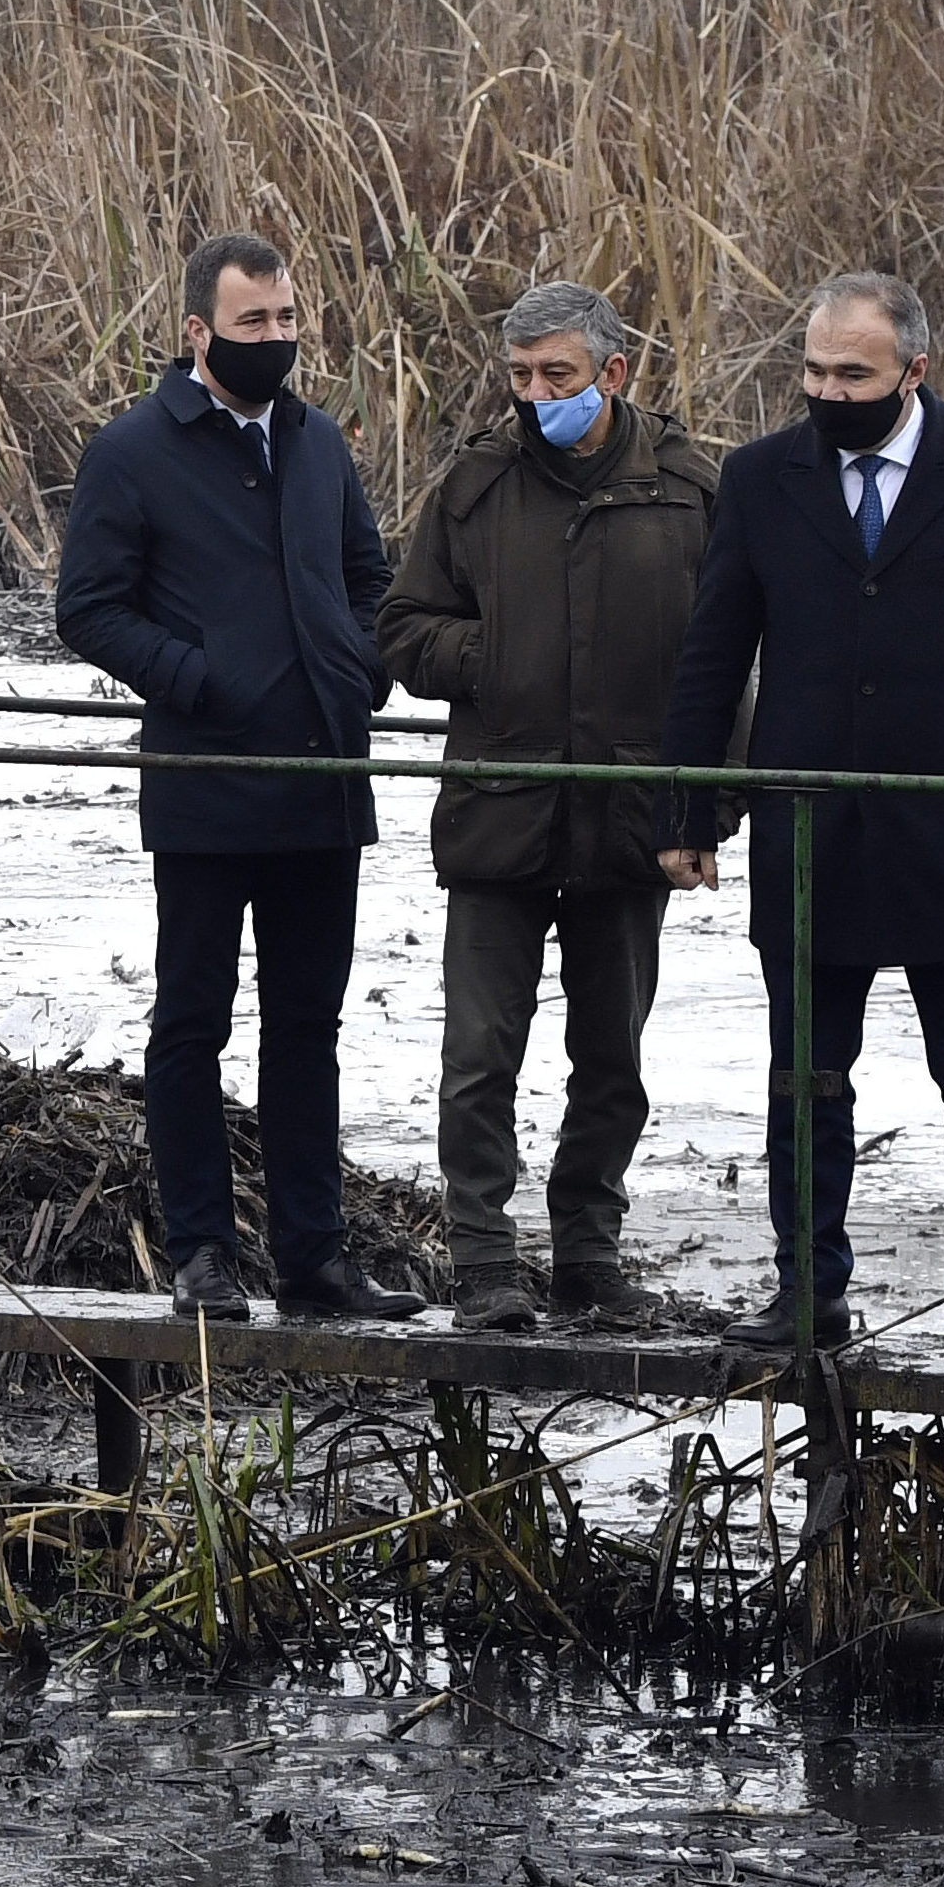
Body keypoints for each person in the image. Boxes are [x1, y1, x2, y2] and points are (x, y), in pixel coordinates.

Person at [660, 271, 944, 1350]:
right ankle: (807, 1286)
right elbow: (713, 654)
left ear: (914, 370)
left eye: (851, 373)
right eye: (811, 371)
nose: (827, 390)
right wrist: (690, 806)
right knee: (806, 1079)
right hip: (811, 833)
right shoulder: (761, 479)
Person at [57, 230, 421, 1326]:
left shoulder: (317, 443)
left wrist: (358, 670)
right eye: (252, 322)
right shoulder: (133, 451)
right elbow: (88, 608)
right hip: (205, 784)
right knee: (191, 1025)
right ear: (195, 332)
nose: (274, 340)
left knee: (307, 1027)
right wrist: (197, 680)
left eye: (286, 319)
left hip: (322, 781)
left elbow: (369, 574)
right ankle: (202, 1255)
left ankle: (315, 1257)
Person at [376, 281, 718, 1331]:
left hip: (630, 822)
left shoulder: (692, 490)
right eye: (519, 377)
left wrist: (706, 811)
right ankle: (482, 1262)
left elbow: (734, 658)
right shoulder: (475, 485)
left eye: (555, 377)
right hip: (499, 815)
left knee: (611, 1054)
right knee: (479, 1054)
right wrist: (489, 655)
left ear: (613, 374)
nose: (533, 396)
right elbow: (400, 629)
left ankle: (588, 1256)